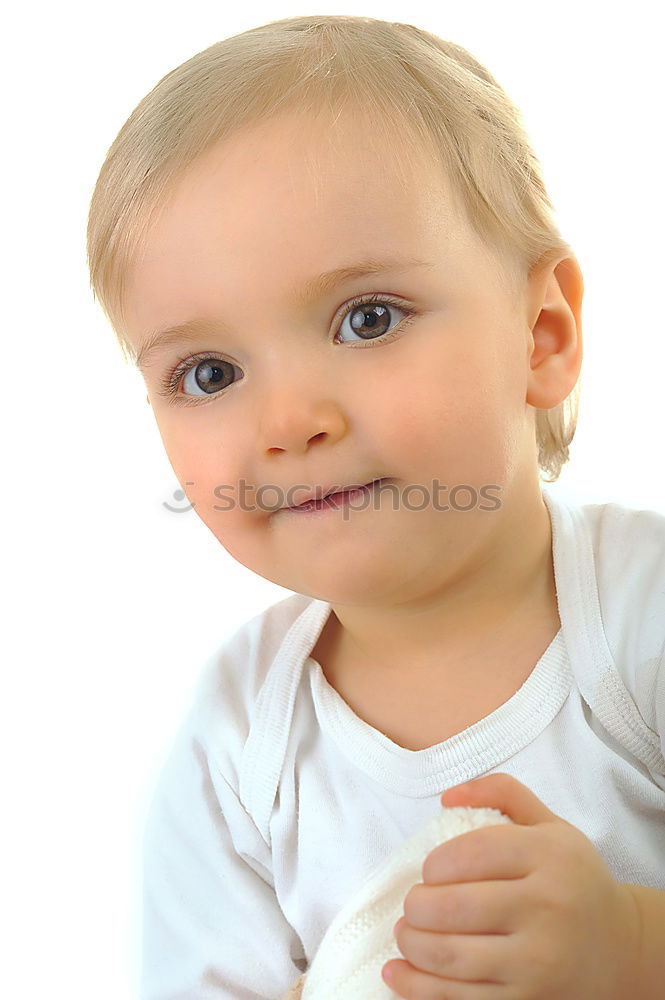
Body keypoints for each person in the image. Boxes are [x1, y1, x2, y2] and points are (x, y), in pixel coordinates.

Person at [86, 14, 665, 1000]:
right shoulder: (235, 745)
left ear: (539, 333)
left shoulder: (639, 614)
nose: (289, 420)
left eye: (366, 319)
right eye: (209, 370)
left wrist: (627, 946)